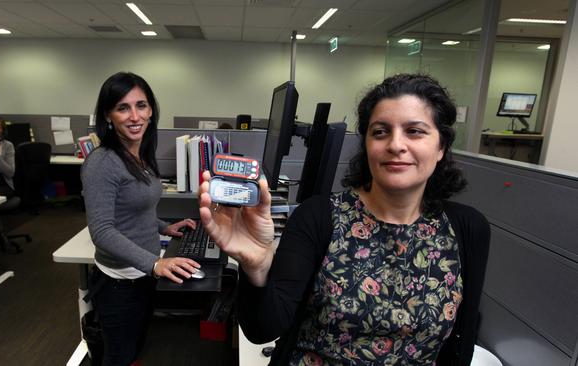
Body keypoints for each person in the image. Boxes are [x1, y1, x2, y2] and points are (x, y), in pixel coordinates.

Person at [198, 74, 491, 365]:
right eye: (380, 132)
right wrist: (257, 265)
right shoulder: (319, 217)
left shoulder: (467, 229)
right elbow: (263, 330)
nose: (395, 144)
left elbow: (461, 343)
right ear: (366, 144)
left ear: (441, 147)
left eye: (414, 131)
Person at [81, 71, 202, 366]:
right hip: (119, 283)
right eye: (123, 108)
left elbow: (136, 208)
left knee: (136, 348)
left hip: (142, 275)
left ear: (151, 111)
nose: (135, 116)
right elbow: (102, 230)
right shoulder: (102, 162)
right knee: (119, 357)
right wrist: (156, 263)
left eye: (141, 105)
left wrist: (163, 227)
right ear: (108, 115)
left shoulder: (140, 154)